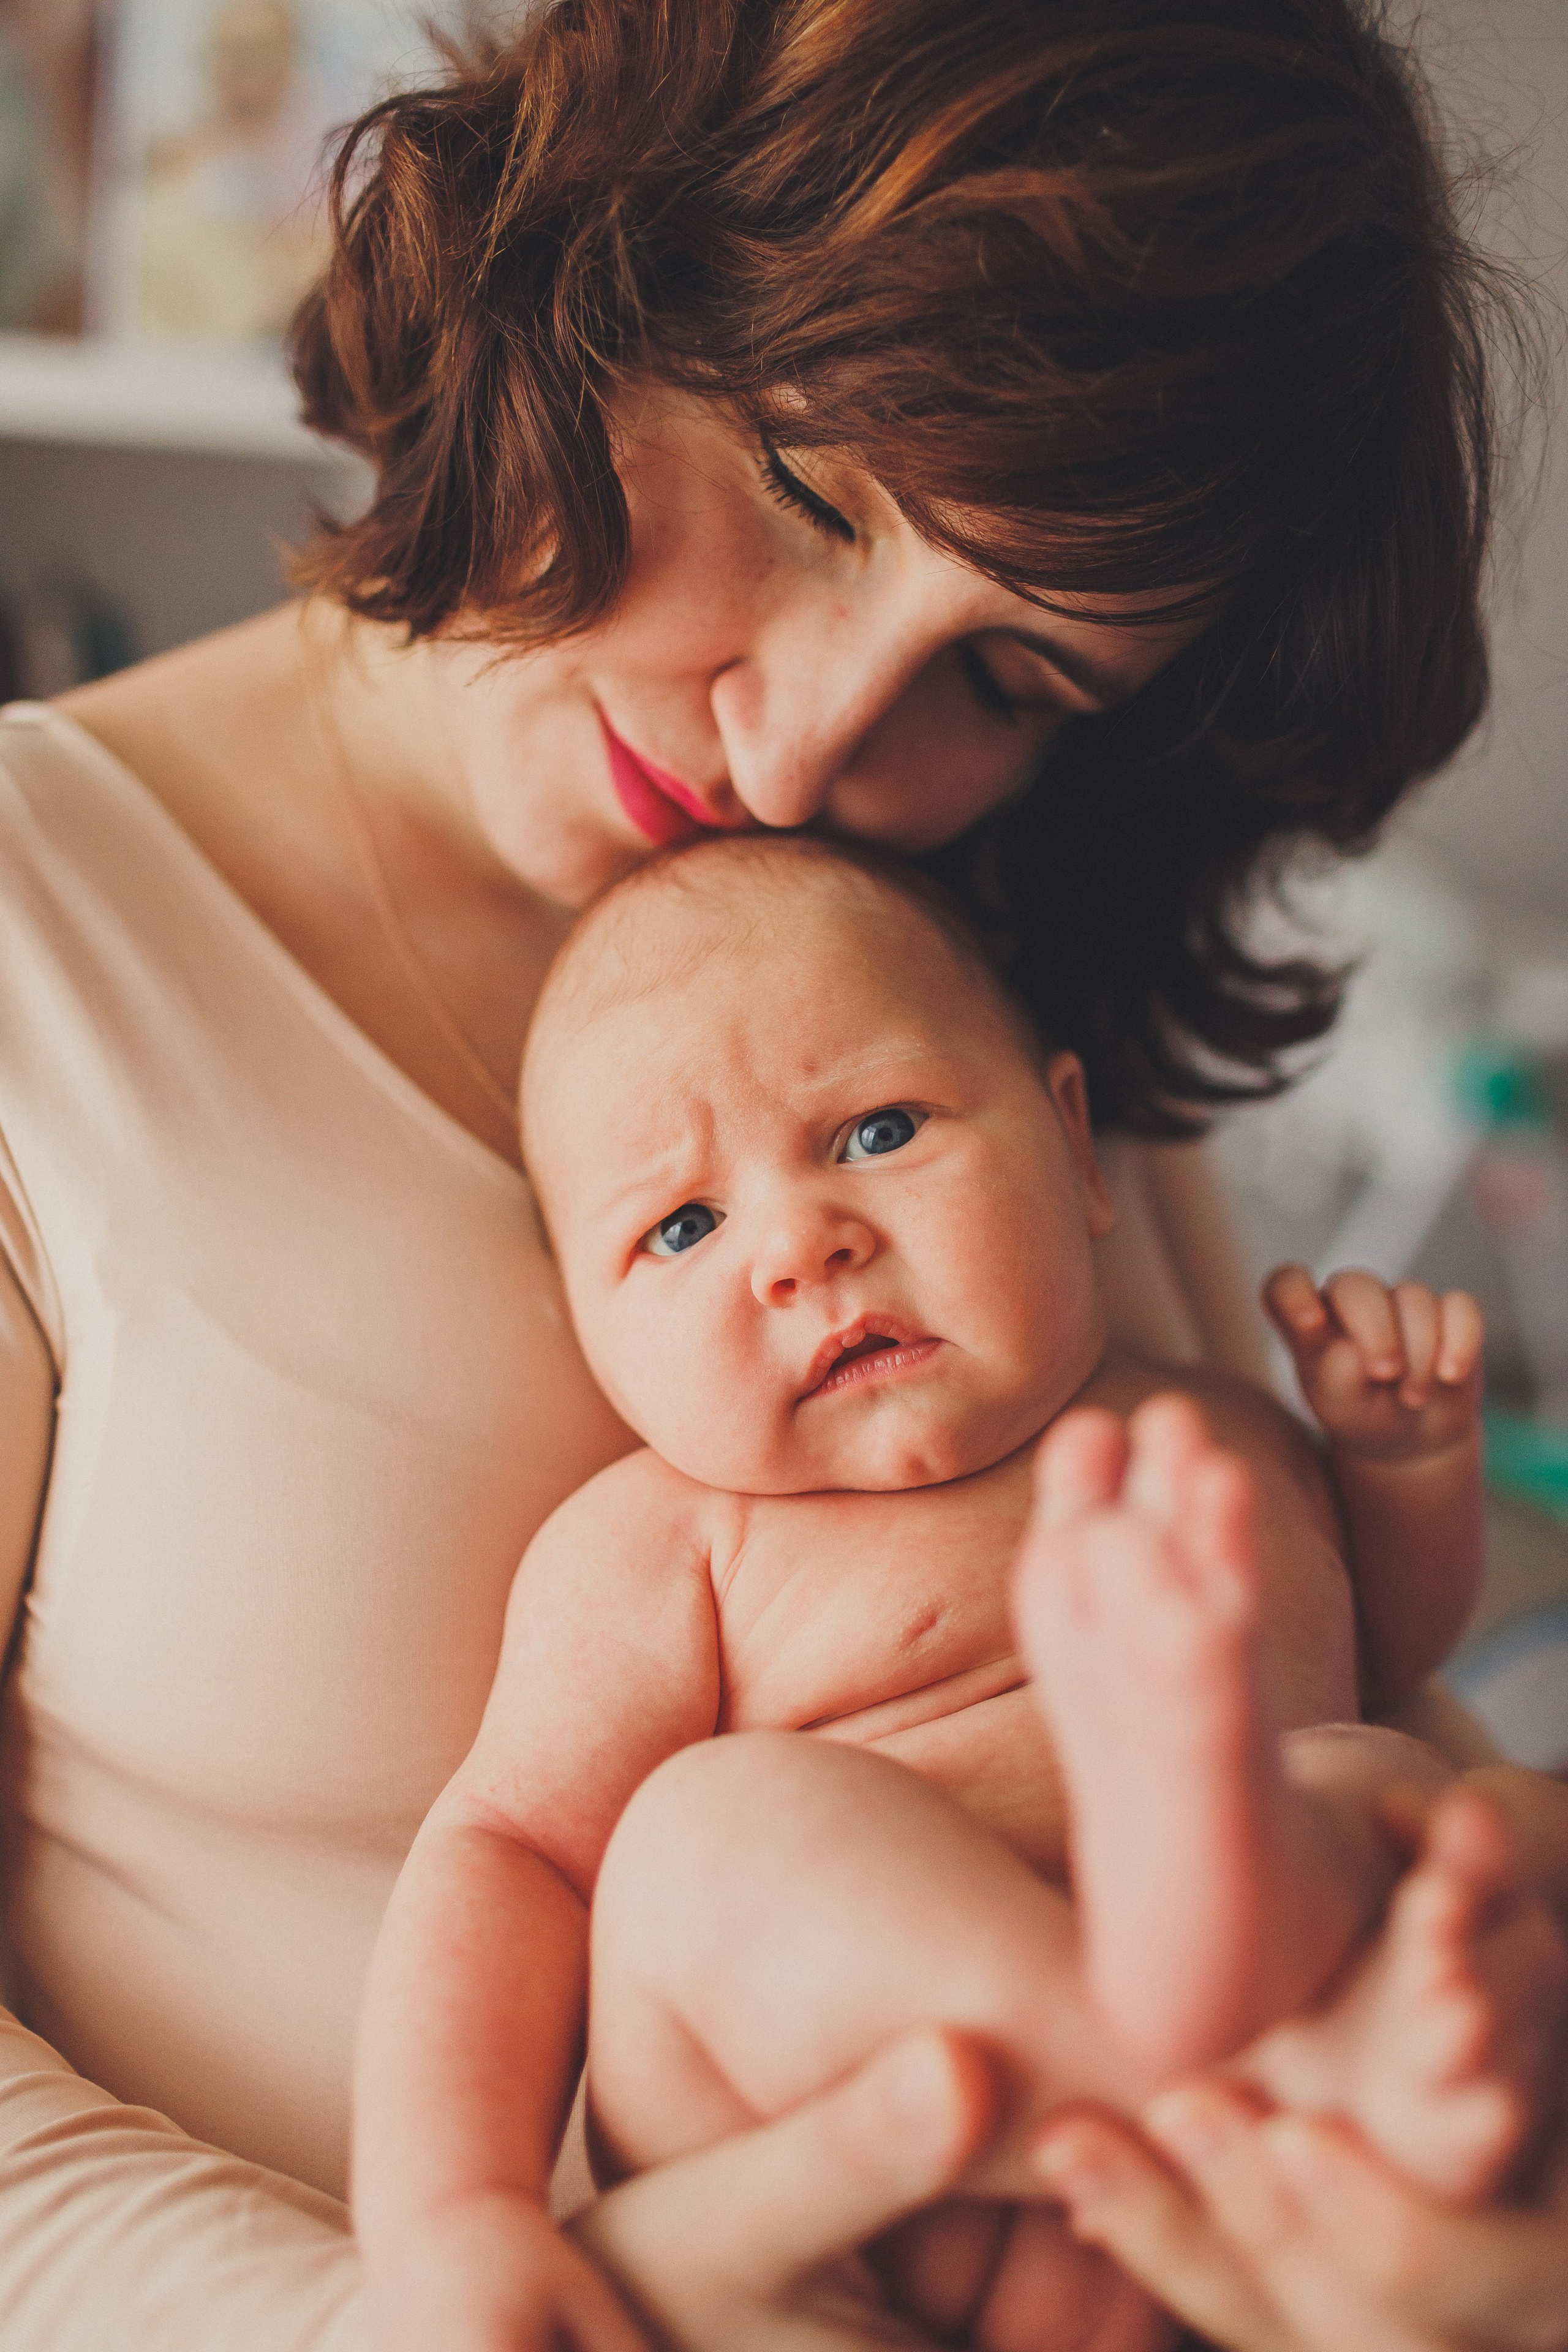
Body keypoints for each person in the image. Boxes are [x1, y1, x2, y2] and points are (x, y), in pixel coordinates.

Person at [0, 2, 1535, 2343]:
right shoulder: (42, 941)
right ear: (610, 260)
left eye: (1010, 680)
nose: (814, 745)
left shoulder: (997, 972)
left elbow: (1308, 1660)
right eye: (819, 495)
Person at [350, 835, 1566, 2352]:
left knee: (1396, 1788)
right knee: (697, 1841)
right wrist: (449, 2214)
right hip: (888, 2160)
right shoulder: (670, 1540)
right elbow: (508, 1856)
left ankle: (1260, 1969)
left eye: (870, 1131)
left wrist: (1398, 1466)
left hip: (1236, 2140)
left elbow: (1386, 1643)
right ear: (590, 1334)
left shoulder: (1214, 1430)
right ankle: (1233, 2088)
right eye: (680, 1227)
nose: (801, 1245)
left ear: (1071, 1146)